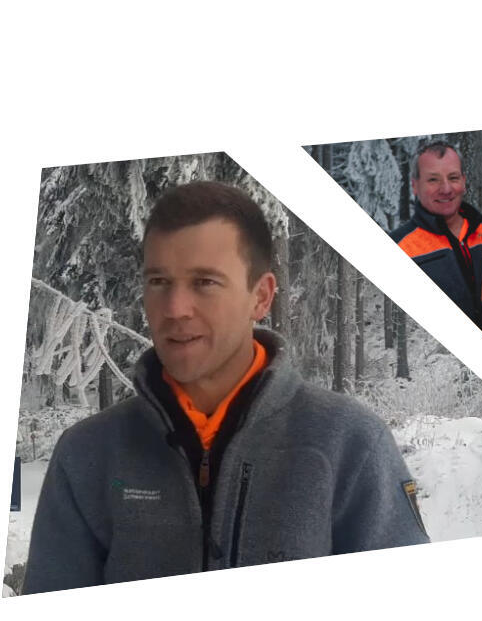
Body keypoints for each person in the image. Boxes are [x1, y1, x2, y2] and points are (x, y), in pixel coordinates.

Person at [25, 181, 428, 593]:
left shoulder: (349, 445)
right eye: (159, 281)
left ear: (261, 296)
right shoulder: (88, 456)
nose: (175, 309)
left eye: (204, 282)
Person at [388, 141, 482, 350]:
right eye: (433, 180)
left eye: (453, 178)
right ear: (415, 185)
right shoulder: (400, 247)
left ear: (463, 180)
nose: (446, 189)